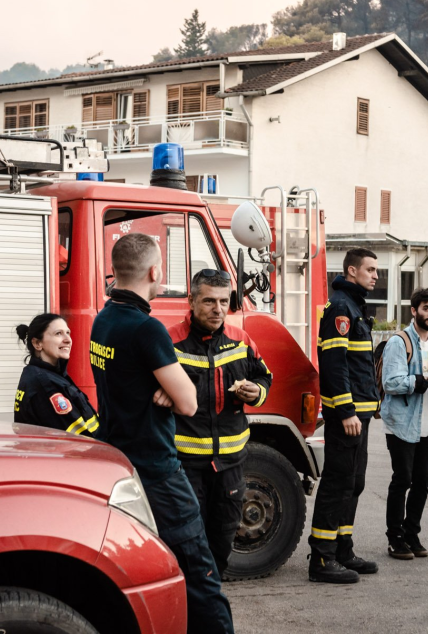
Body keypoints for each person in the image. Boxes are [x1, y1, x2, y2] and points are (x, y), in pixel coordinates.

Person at [90, 233, 234, 634]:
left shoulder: (103, 320)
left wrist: (165, 385)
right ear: (155, 271)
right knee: (200, 576)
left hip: (121, 461)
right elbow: (188, 402)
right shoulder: (145, 328)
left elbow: (132, 382)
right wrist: (175, 386)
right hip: (158, 470)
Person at [168, 269, 272, 578]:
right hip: (186, 463)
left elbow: (263, 375)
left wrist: (258, 392)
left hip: (231, 463)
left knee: (224, 534)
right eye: (209, 301)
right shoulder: (169, 341)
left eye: (224, 301)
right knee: (187, 538)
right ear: (191, 300)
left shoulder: (241, 340)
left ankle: (210, 590)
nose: (218, 310)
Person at [308, 248, 381, 584]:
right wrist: (347, 410)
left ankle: (342, 548)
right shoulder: (340, 307)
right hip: (346, 416)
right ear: (352, 271)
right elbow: (335, 366)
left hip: (361, 414)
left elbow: (358, 364)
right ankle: (322, 558)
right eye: (370, 270)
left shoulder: (354, 306)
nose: (375, 276)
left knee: (354, 482)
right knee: (338, 482)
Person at [379, 288, 428, 560]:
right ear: (414, 311)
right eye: (426, 309)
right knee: (403, 480)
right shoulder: (400, 342)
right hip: (401, 423)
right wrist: (424, 382)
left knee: (422, 482)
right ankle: (395, 537)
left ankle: (412, 533)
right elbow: (391, 382)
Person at [13, 313, 99, 436]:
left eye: (68, 333)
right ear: (37, 343)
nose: (68, 339)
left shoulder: (49, 375)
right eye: (58, 333)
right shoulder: (46, 384)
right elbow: (80, 438)